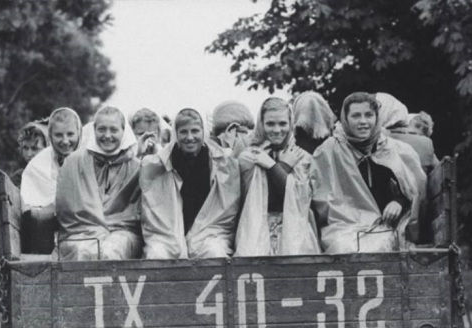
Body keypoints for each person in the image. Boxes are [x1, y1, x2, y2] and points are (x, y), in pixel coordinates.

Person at [310, 92, 426, 253]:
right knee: (343, 248)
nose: (363, 122)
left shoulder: (393, 149)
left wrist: (398, 201)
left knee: (381, 247)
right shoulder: (330, 150)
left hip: (383, 225)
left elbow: (413, 189)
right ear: (345, 119)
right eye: (356, 116)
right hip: (341, 226)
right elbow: (321, 196)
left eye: (369, 115)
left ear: (377, 117)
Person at [141, 107, 240, 259]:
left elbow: (226, 210)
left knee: (215, 253)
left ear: (204, 132)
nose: (189, 137)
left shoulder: (221, 162)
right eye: (183, 132)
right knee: (157, 254)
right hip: (169, 234)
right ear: (176, 134)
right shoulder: (158, 164)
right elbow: (153, 209)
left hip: (210, 233)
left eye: (195, 131)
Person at [235, 97, 320, 256]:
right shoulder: (248, 156)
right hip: (255, 226)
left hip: (294, 227)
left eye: (282, 124)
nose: (276, 130)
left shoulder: (301, 157)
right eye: (270, 124)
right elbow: (261, 196)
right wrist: (284, 166)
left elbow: (297, 200)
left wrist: (273, 166)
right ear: (261, 124)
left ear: (290, 124)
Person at [56, 106, 142, 260]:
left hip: (123, 232)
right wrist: (96, 230)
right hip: (81, 232)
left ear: (124, 131)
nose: (107, 135)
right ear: (93, 129)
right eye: (102, 129)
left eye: (114, 130)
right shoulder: (74, 161)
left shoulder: (136, 167)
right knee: (84, 251)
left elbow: (138, 213)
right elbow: (66, 210)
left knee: (111, 251)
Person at [20, 108, 82, 210]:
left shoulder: (91, 159)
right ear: (50, 136)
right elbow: (31, 210)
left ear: (79, 133)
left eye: (70, 134)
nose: (65, 141)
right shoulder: (37, 165)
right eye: (58, 135)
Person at [376, 92, 439, 175]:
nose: (421, 122)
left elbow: (440, 167)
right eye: (418, 118)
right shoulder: (385, 132)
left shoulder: (425, 143)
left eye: (425, 125)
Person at [11, 120, 48, 186]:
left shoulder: (59, 176)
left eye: (34, 148)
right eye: (25, 148)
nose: (29, 154)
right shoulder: (19, 178)